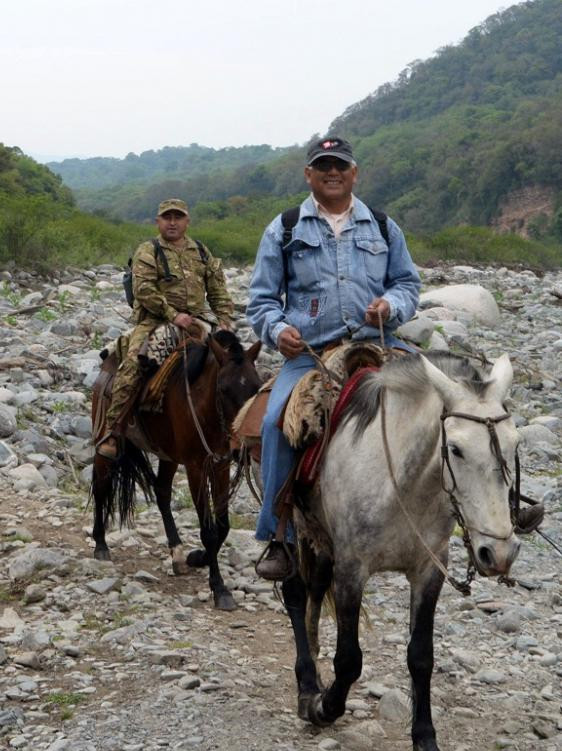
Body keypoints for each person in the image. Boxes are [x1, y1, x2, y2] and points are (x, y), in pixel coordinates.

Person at [247, 137, 421, 580]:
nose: (332, 172)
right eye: (322, 165)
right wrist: (277, 330)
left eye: (339, 166)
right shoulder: (284, 228)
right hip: (312, 353)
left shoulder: (381, 226)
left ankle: (489, 512)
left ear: (354, 172)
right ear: (309, 174)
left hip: (379, 344)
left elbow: (407, 284)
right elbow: (262, 300)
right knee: (274, 423)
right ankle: (279, 533)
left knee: (449, 399)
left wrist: (391, 306)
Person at [96, 198, 235, 460]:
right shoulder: (149, 251)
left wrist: (225, 318)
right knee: (134, 365)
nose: (173, 222)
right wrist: (173, 314)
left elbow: (218, 292)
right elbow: (143, 290)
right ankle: (113, 430)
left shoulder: (202, 252)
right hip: (156, 320)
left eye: (178, 217)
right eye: (167, 217)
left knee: (236, 362)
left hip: (199, 319)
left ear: (187, 221)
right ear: (158, 221)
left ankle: (238, 430)